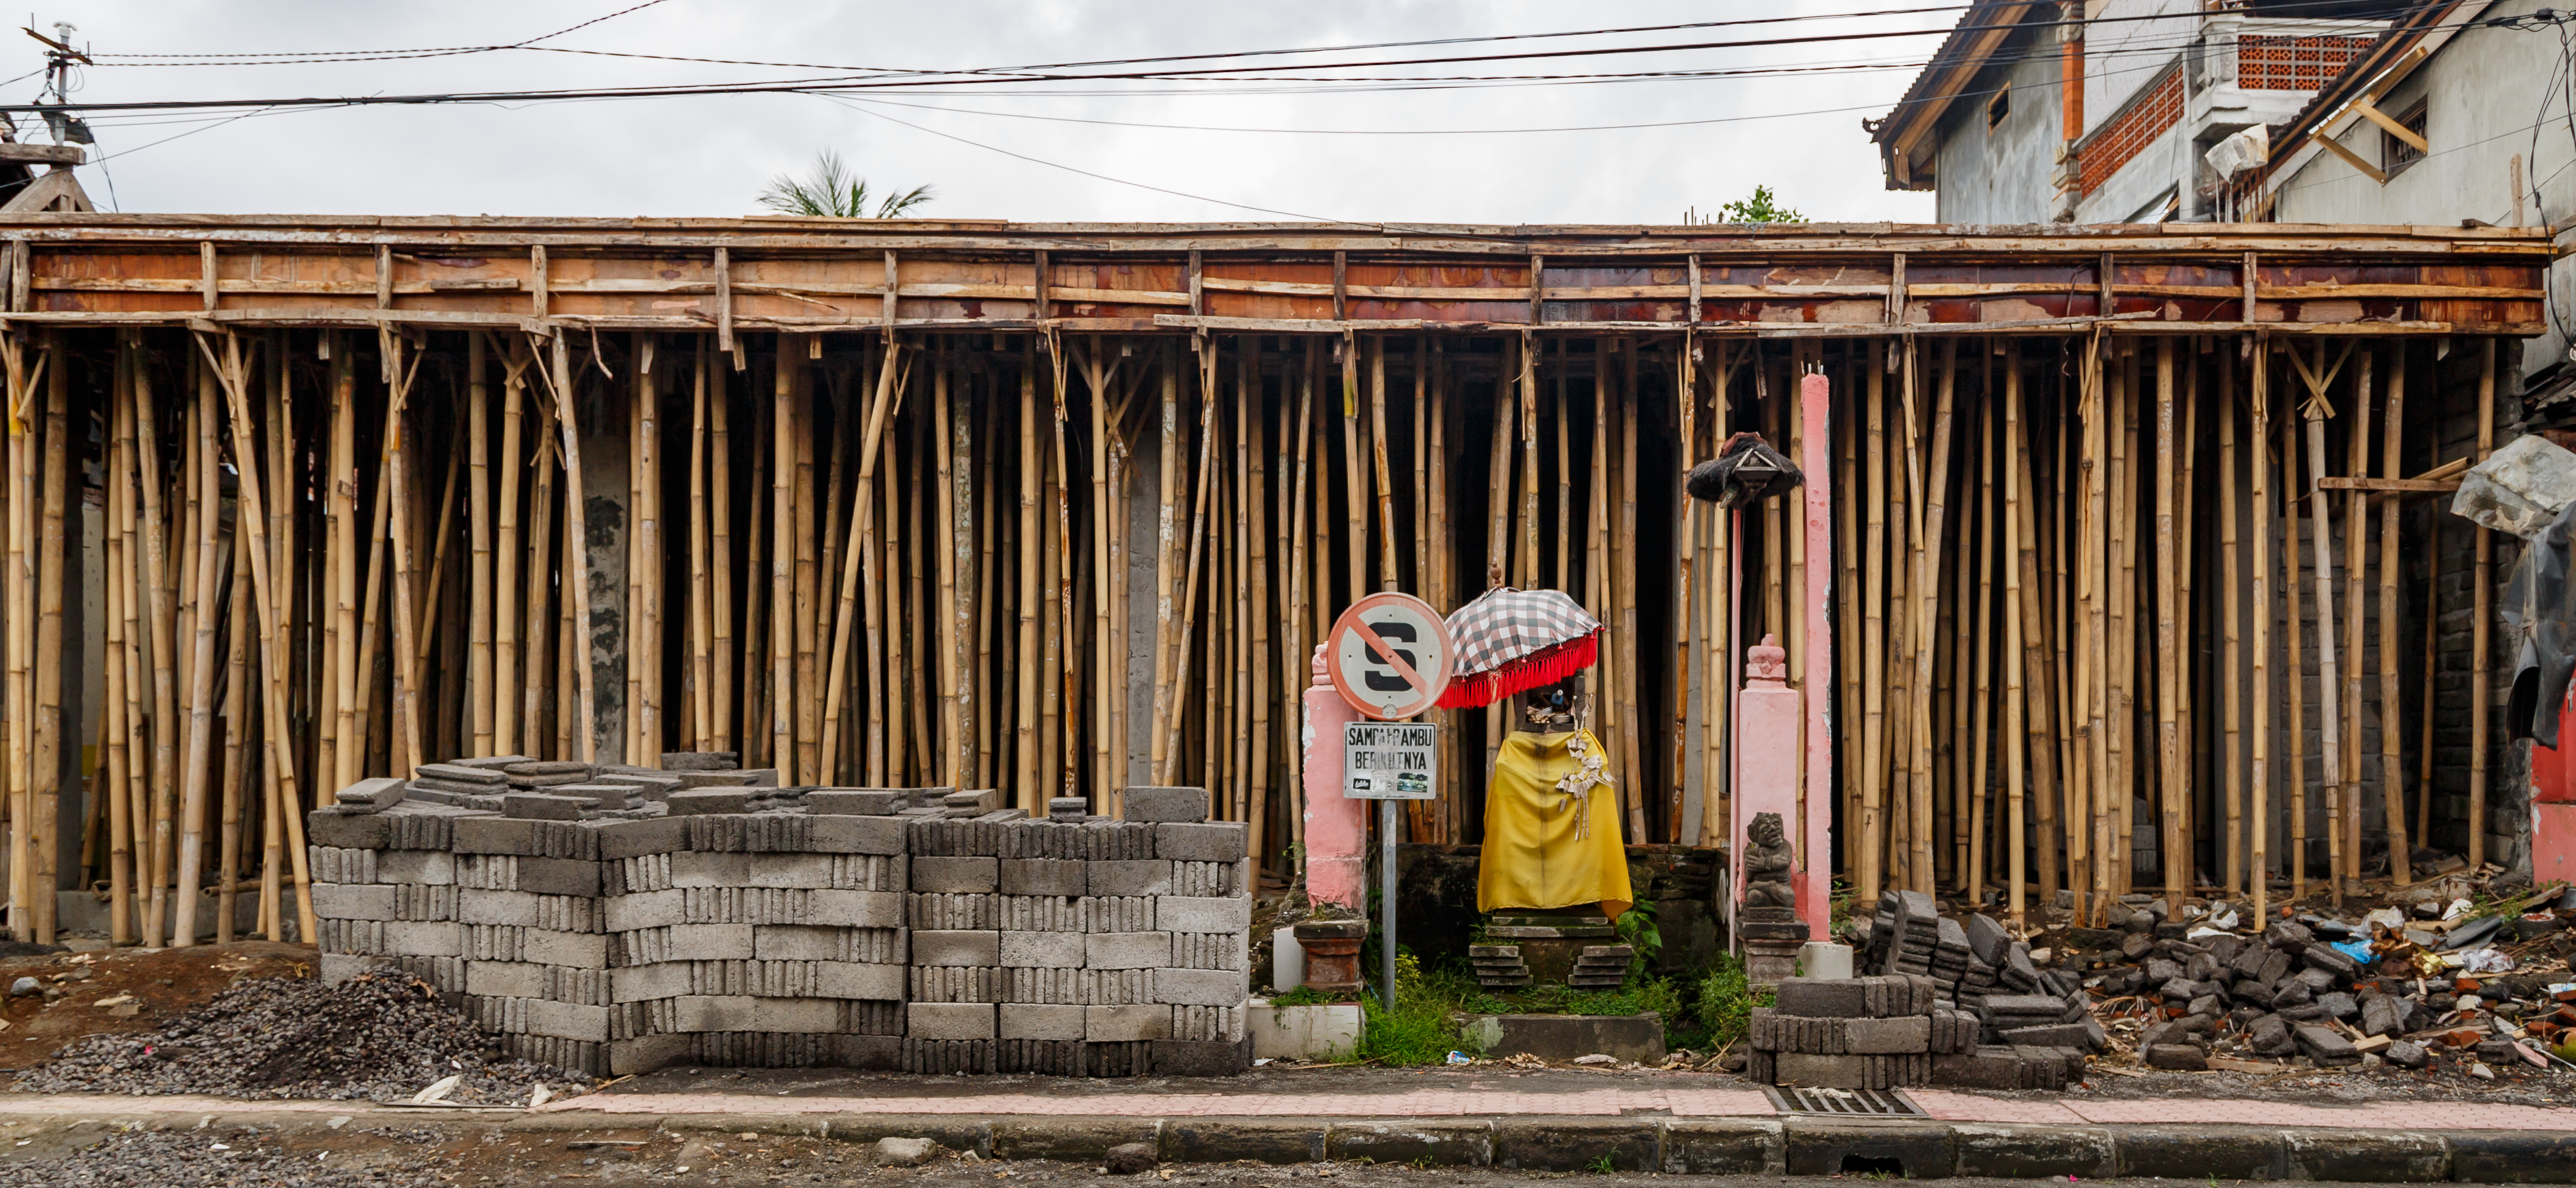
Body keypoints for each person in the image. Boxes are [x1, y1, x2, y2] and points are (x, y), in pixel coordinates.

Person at [1474, 673, 1633, 920]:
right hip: (1528, 741)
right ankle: (1514, 895)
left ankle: (1585, 893)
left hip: (1572, 743)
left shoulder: (1587, 746)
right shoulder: (1513, 751)